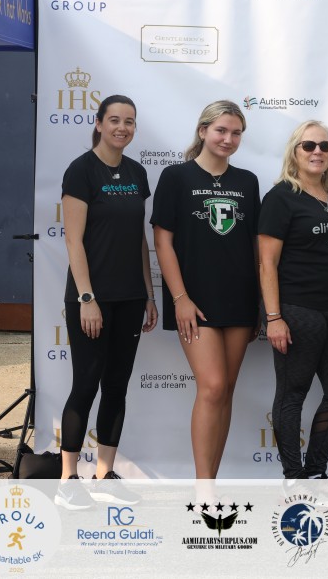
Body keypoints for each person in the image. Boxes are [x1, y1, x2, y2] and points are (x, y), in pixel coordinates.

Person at [56, 94, 158, 510]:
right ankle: (67, 481)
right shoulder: (81, 170)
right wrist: (86, 298)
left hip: (130, 298)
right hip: (91, 300)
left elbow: (138, 240)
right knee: (85, 385)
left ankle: (105, 474)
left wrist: (148, 294)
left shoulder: (137, 172)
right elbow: (73, 240)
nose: (122, 128)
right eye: (114, 120)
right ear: (98, 123)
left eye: (129, 121)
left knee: (116, 386)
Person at [152, 100, 260, 481]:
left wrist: (260, 305)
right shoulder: (175, 177)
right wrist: (180, 299)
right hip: (194, 300)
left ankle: (210, 482)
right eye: (221, 130)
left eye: (236, 133)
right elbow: (162, 243)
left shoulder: (247, 181)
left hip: (240, 299)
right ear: (203, 131)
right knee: (212, 386)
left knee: (226, 389)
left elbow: (253, 246)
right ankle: (202, 488)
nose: (228, 139)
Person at [258, 120, 328, 498]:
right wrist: (274, 318)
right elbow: (266, 263)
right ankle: (293, 477)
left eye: (325, 145)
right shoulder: (281, 197)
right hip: (296, 310)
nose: (318, 151)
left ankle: (315, 473)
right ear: (295, 151)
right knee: (293, 393)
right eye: (309, 145)